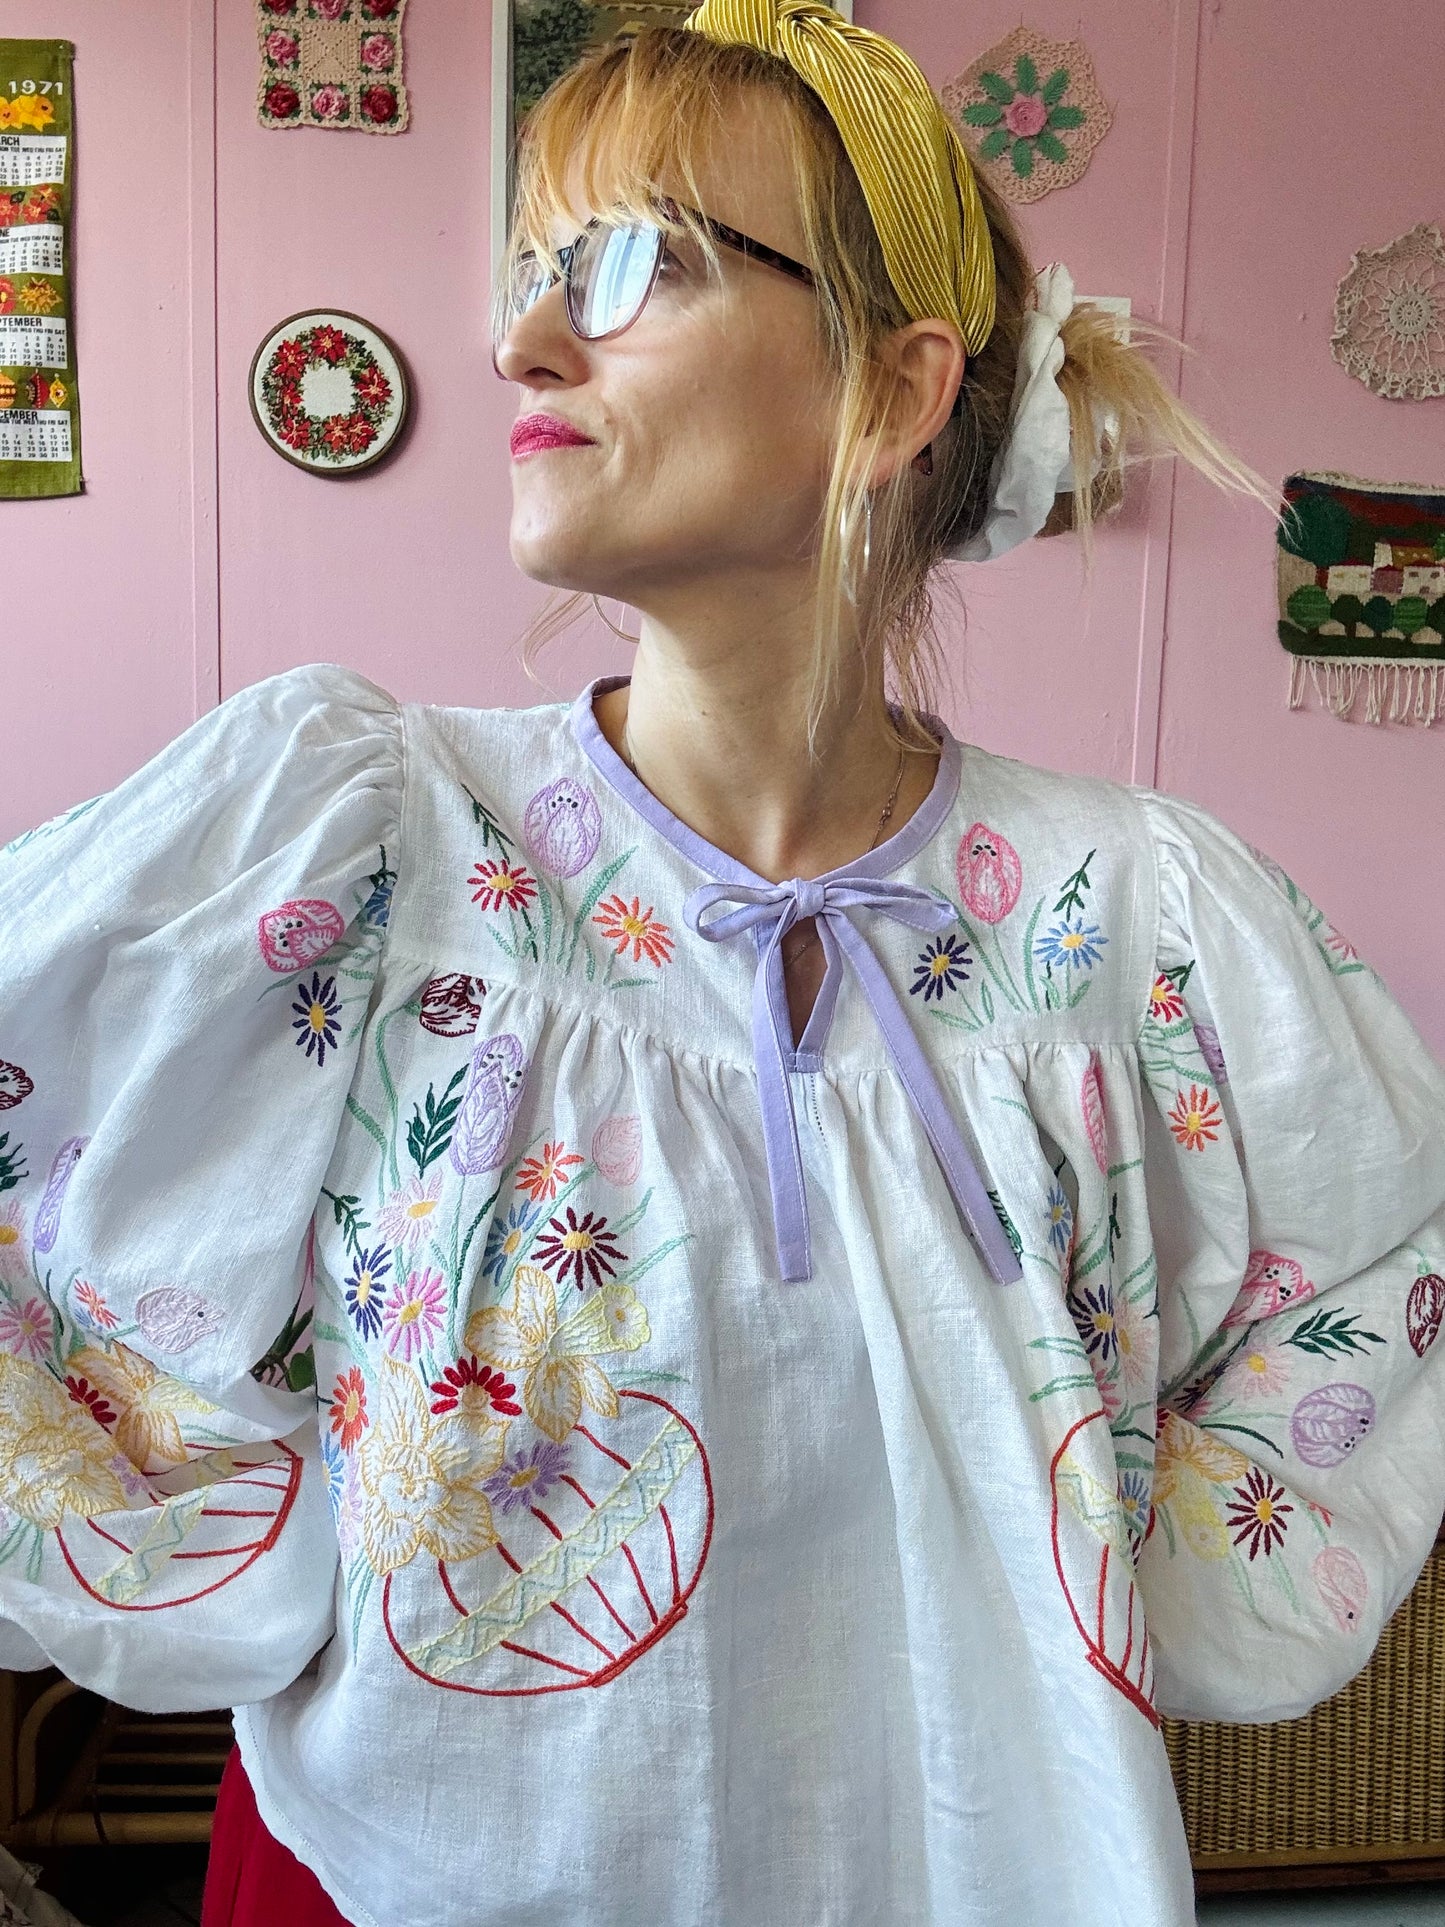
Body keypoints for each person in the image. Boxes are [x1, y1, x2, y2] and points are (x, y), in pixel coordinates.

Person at [2, 5, 1443, 1923]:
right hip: (390, 1879)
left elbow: (1377, 1269)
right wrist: (239, 1558)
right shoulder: (367, 844)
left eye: (627, 264)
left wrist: (1145, 1589)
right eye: (526, 270)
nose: (522, 337)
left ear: (891, 386)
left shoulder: (1141, 921)